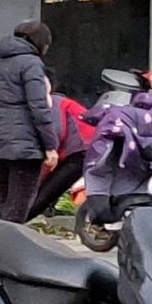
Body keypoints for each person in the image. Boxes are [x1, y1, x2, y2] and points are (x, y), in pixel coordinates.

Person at [0, 21, 58, 222]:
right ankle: (6, 251)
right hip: (24, 147)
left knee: (5, 205)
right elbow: (38, 107)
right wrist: (50, 146)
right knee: (17, 211)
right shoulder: (31, 63)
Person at [28, 88, 93, 219]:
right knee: (49, 188)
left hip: (81, 150)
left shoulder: (56, 104)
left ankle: (15, 221)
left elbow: (57, 134)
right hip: (80, 149)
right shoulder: (60, 103)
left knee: (48, 191)